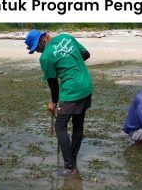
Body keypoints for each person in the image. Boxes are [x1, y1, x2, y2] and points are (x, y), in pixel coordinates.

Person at [24, 29, 93, 177]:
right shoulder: (66, 37)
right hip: (86, 84)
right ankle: (72, 160)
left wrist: (54, 103)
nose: (37, 52)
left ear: (41, 42)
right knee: (78, 124)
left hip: (72, 90)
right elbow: (86, 54)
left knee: (60, 126)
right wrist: (71, 65)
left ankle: (69, 167)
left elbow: (53, 84)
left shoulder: (46, 57)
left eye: (36, 49)